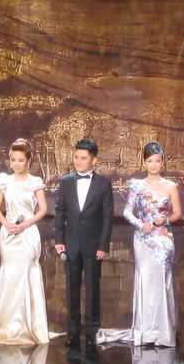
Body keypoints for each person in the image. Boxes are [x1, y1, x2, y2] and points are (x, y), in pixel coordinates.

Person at [97, 142, 182, 347]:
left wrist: (166, 220)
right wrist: (141, 224)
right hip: (143, 239)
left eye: (157, 161)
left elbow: (178, 213)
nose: (154, 165)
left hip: (162, 240)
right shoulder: (137, 185)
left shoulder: (171, 186)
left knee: (161, 281)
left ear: (163, 162)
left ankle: (162, 333)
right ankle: (145, 332)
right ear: (144, 162)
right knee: (145, 281)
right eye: (150, 161)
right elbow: (127, 212)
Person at [0, 139, 51, 344]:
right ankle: (6, 326)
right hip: (8, 234)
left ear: (28, 160)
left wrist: (25, 225)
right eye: (13, 160)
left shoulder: (35, 182)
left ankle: (28, 326)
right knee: (10, 275)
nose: (16, 164)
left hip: (27, 233)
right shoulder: (4, 182)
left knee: (25, 273)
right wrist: (6, 223)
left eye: (20, 160)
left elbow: (43, 209)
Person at [54, 138, 114, 349]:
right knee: (71, 288)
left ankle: (91, 332)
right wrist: (59, 240)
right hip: (70, 243)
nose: (78, 161)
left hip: (93, 245)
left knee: (92, 289)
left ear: (93, 160)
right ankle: (72, 331)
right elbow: (60, 211)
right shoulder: (66, 181)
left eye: (83, 158)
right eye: (76, 157)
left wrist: (103, 246)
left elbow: (107, 217)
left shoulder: (104, 184)